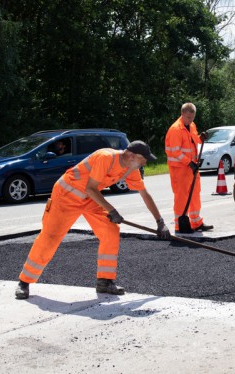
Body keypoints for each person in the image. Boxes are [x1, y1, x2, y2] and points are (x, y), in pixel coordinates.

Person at [14, 141, 169, 299]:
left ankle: (105, 281)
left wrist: (160, 222)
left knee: (110, 230)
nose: (145, 162)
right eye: (143, 159)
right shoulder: (106, 158)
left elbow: (144, 194)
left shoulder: (131, 168)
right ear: (130, 156)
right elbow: (90, 187)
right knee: (50, 237)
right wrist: (112, 211)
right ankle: (24, 281)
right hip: (66, 196)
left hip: (90, 199)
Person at [165, 103, 213, 233]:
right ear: (182, 114)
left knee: (195, 194)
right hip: (179, 168)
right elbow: (176, 151)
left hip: (191, 167)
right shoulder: (175, 129)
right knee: (181, 197)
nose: (190, 120)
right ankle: (180, 225)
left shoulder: (191, 126)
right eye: (188, 117)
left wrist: (200, 139)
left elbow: (193, 141)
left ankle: (196, 222)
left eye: (192, 117)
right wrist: (189, 162)